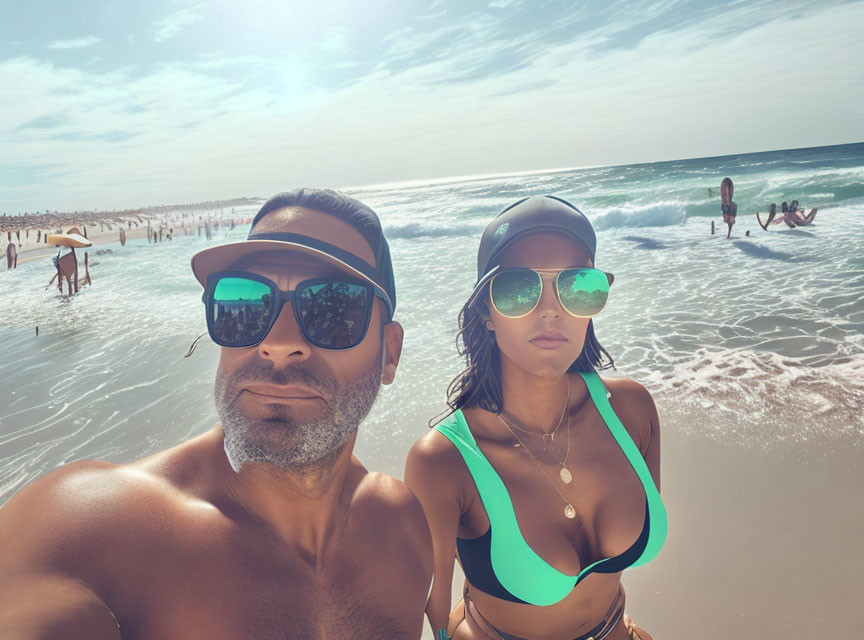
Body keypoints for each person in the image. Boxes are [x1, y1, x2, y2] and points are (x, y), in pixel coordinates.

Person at [0, 188, 433, 639]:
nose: (279, 342)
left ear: (390, 354)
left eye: (334, 307)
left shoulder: (402, 533)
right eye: (244, 303)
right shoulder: (96, 531)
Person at [405, 196, 667, 640]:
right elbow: (428, 623)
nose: (550, 309)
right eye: (518, 289)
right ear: (486, 312)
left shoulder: (631, 412)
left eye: (577, 285)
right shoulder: (446, 462)